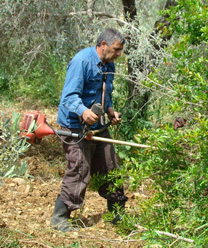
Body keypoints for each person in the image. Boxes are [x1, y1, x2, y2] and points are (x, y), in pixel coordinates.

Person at [50, 28, 128, 232]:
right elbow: (68, 97)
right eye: (116, 49)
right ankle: (60, 218)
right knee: (79, 170)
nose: (118, 54)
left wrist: (110, 110)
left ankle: (118, 216)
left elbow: (105, 93)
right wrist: (84, 112)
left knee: (112, 169)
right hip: (75, 127)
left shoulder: (109, 65)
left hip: (100, 127)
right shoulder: (81, 62)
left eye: (120, 50)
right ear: (103, 45)